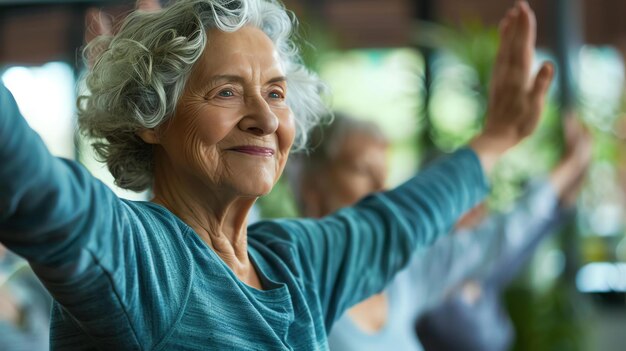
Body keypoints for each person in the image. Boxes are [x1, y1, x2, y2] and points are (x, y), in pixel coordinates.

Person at [0, 0, 553, 349]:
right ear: (153, 114)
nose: (265, 118)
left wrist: (496, 139)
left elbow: (396, 222)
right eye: (226, 91)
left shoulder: (295, 263)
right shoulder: (146, 261)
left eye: (275, 93)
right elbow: (29, 180)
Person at [290, 114, 590, 351]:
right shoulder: (289, 296)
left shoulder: (402, 277)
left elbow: (501, 237)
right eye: (363, 170)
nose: (383, 191)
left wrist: (566, 170)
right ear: (311, 187)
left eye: (385, 175)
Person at [416, 114, 592, 351]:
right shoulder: (432, 274)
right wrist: (569, 165)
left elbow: (534, 229)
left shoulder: (481, 269)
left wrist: (577, 169)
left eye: (481, 197)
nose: (481, 208)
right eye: (470, 200)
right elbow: (511, 231)